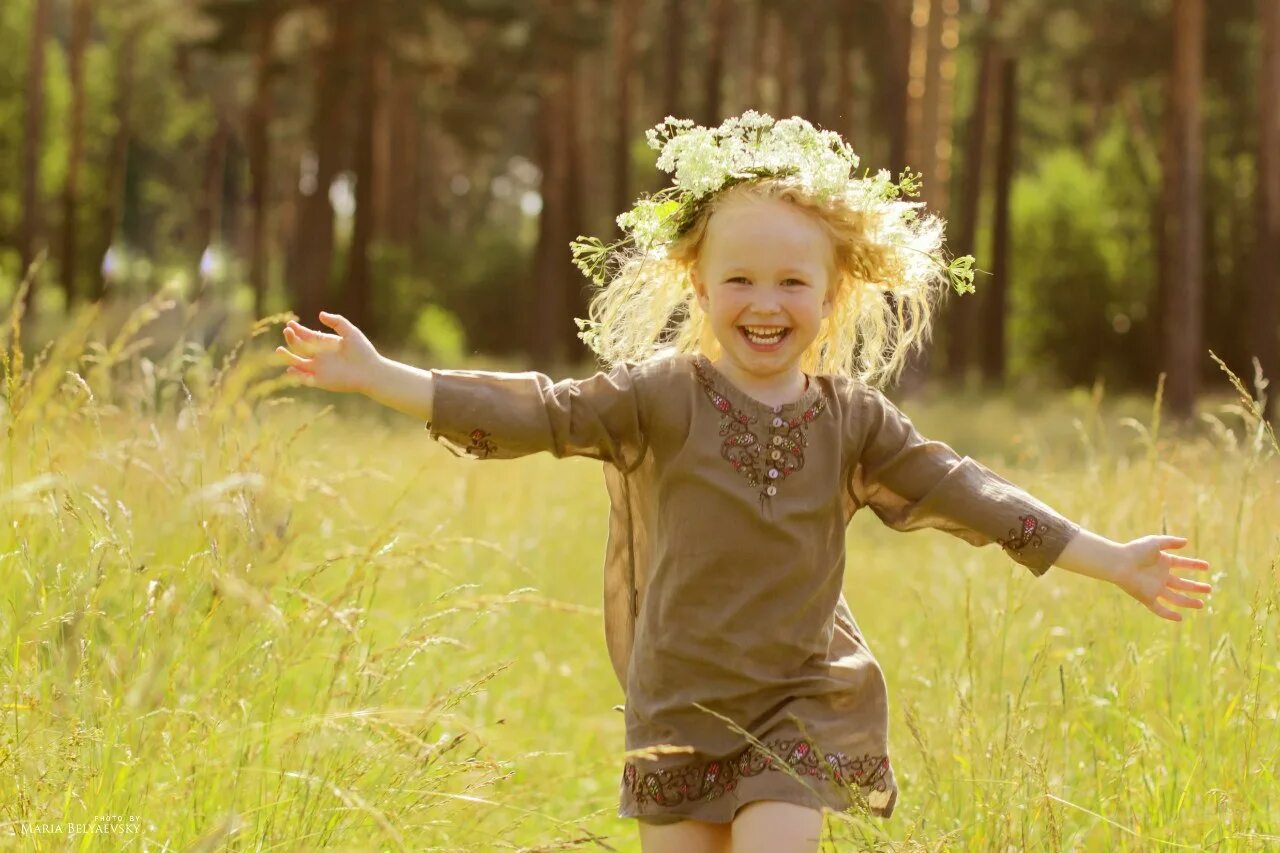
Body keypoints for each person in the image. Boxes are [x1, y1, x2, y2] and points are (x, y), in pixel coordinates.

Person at [275, 113, 1213, 853]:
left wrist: (1113, 559)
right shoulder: (658, 397)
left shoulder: (856, 421)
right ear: (699, 282)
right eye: (741, 281)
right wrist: (383, 376)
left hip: (800, 700)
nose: (766, 304)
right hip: (678, 704)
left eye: (793, 284)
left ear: (832, 294)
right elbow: (540, 412)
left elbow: (971, 491)